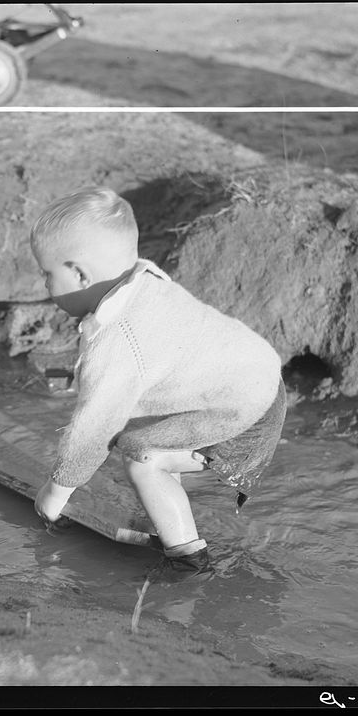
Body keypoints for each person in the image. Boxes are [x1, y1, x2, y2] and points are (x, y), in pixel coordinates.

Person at [29, 187, 286, 580]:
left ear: (79, 274)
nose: (45, 285)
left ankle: (188, 561)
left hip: (244, 412)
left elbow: (94, 432)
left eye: (48, 274)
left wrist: (56, 493)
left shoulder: (119, 335)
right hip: (257, 382)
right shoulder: (144, 282)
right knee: (147, 437)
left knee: (143, 458)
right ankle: (163, 514)